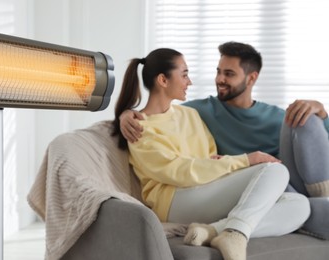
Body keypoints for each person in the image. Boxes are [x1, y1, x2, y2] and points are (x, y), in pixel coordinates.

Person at [112, 48, 310, 260]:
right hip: (173, 201)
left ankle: (219, 231)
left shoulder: (189, 114)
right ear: (163, 80)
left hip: (205, 190)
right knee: (276, 171)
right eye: (185, 74)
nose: (190, 82)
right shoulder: (140, 127)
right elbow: (179, 172)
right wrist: (245, 160)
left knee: (299, 205)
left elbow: (209, 156)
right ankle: (234, 232)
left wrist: (216, 163)